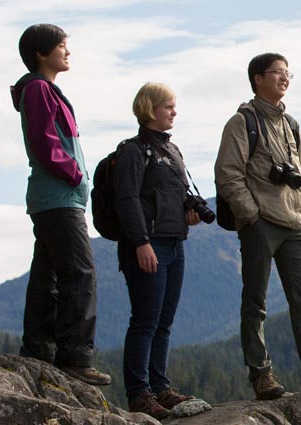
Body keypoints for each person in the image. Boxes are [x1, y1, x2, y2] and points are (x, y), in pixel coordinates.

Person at [214, 52, 301, 401]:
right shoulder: (242, 122)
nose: (284, 78)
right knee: (256, 301)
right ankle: (261, 374)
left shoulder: (290, 123)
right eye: (277, 72)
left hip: (295, 223)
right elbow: (228, 174)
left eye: (287, 73)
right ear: (257, 79)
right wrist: (252, 213)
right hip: (261, 223)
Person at [10, 23, 110, 386]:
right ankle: (75, 356)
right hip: (58, 196)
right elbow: (44, 141)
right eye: (63, 46)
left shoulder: (45, 90)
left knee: (48, 276)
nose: (69, 52)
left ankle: (38, 349)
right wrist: (74, 174)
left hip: (56, 197)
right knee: (79, 274)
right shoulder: (38, 88)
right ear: (41, 53)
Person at [114, 82, 203, 419]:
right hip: (147, 245)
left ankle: (160, 388)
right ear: (150, 108)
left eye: (174, 106)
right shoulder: (134, 151)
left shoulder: (172, 151)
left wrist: (187, 213)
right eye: (168, 106)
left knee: (164, 321)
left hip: (173, 242)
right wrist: (140, 242)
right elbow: (127, 199)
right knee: (145, 321)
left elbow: (167, 198)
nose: (174, 112)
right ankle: (139, 394)